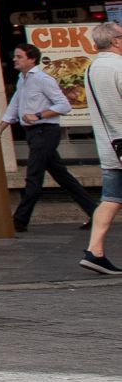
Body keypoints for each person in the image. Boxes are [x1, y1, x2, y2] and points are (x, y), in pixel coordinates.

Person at [7, 44, 96, 232]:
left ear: (31, 59)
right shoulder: (22, 79)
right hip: (33, 133)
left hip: (45, 131)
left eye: (19, 56)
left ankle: (19, 220)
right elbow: (15, 103)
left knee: (34, 176)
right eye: (15, 56)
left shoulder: (42, 79)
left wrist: (38, 115)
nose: (15, 59)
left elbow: (64, 105)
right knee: (62, 176)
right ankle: (95, 213)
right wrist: (1, 126)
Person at [82, 21, 122, 276]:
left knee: (111, 199)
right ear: (116, 40)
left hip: (110, 148)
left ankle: (94, 252)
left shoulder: (92, 68)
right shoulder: (119, 66)